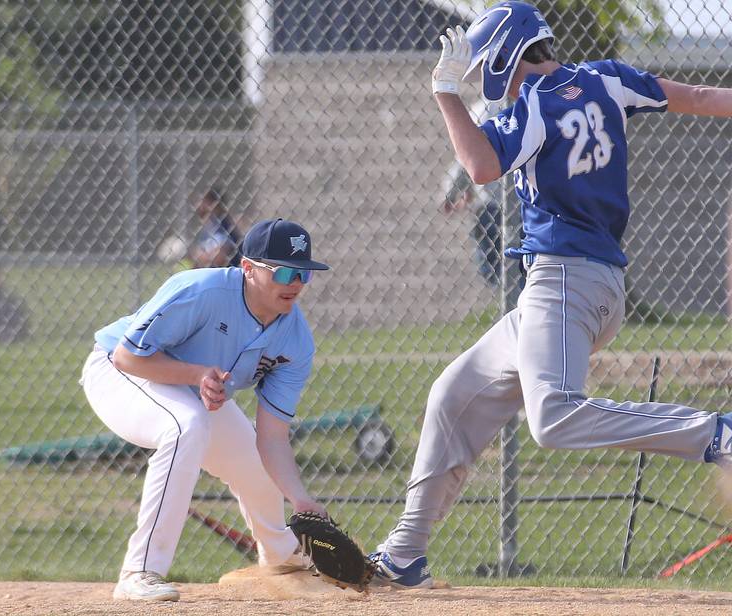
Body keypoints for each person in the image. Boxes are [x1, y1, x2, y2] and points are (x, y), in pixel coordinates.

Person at [369, 1, 732, 588]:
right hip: (589, 287)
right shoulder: (605, 78)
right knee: (452, 395)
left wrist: (444, 94)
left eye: (491, 64)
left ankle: (716, 435)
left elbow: (482, 167)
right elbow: (702, 97)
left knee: (554, 418)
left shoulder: (535, 103)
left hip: (564, 281)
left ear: (510, 54)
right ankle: (403, 556)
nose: (491, 76)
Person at [81, 218, 330, 601]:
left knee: (255, 463)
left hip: (196, 391)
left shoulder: (295, 339)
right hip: (119, 372)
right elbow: (127, 356)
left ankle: (282, 562)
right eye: (283, 272)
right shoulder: (201, 290)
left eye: (303, 274)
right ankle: (140, 571)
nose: (295, 283)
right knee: (185, 425)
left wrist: (300, 499)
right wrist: (197, 374)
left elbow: (273, 438)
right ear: (247, 268)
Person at [441, 161, 503, 288]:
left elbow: (464, 164)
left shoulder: (483, 141)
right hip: (516, 203)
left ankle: (501, 287)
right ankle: (507, 291)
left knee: (489, 258)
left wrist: (451, 196)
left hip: (489, 204)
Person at [186, 188, 242, 269]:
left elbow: (220, 256)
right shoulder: (209, 225)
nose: (199, 205)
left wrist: (198, 256)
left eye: (204, 202)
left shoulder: (223, 224)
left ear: (215, 204)